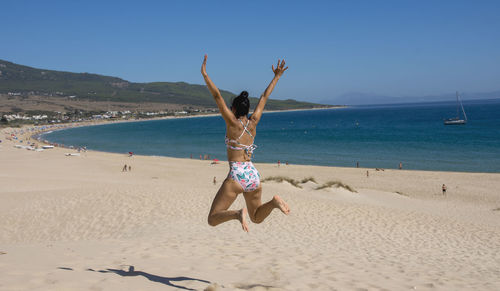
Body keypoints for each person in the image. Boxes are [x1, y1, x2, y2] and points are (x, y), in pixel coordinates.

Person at [201, 54, 290, 232]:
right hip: (252, 174)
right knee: (256, 217)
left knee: (212, 218)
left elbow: (217, 97)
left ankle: (236, 214)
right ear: (247, 110)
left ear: (233, 109)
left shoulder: (232, 123)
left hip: (237, 175)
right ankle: (273, 203)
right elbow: (264, 97)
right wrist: (277, 77)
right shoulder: (253, 122)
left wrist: (204, 74)